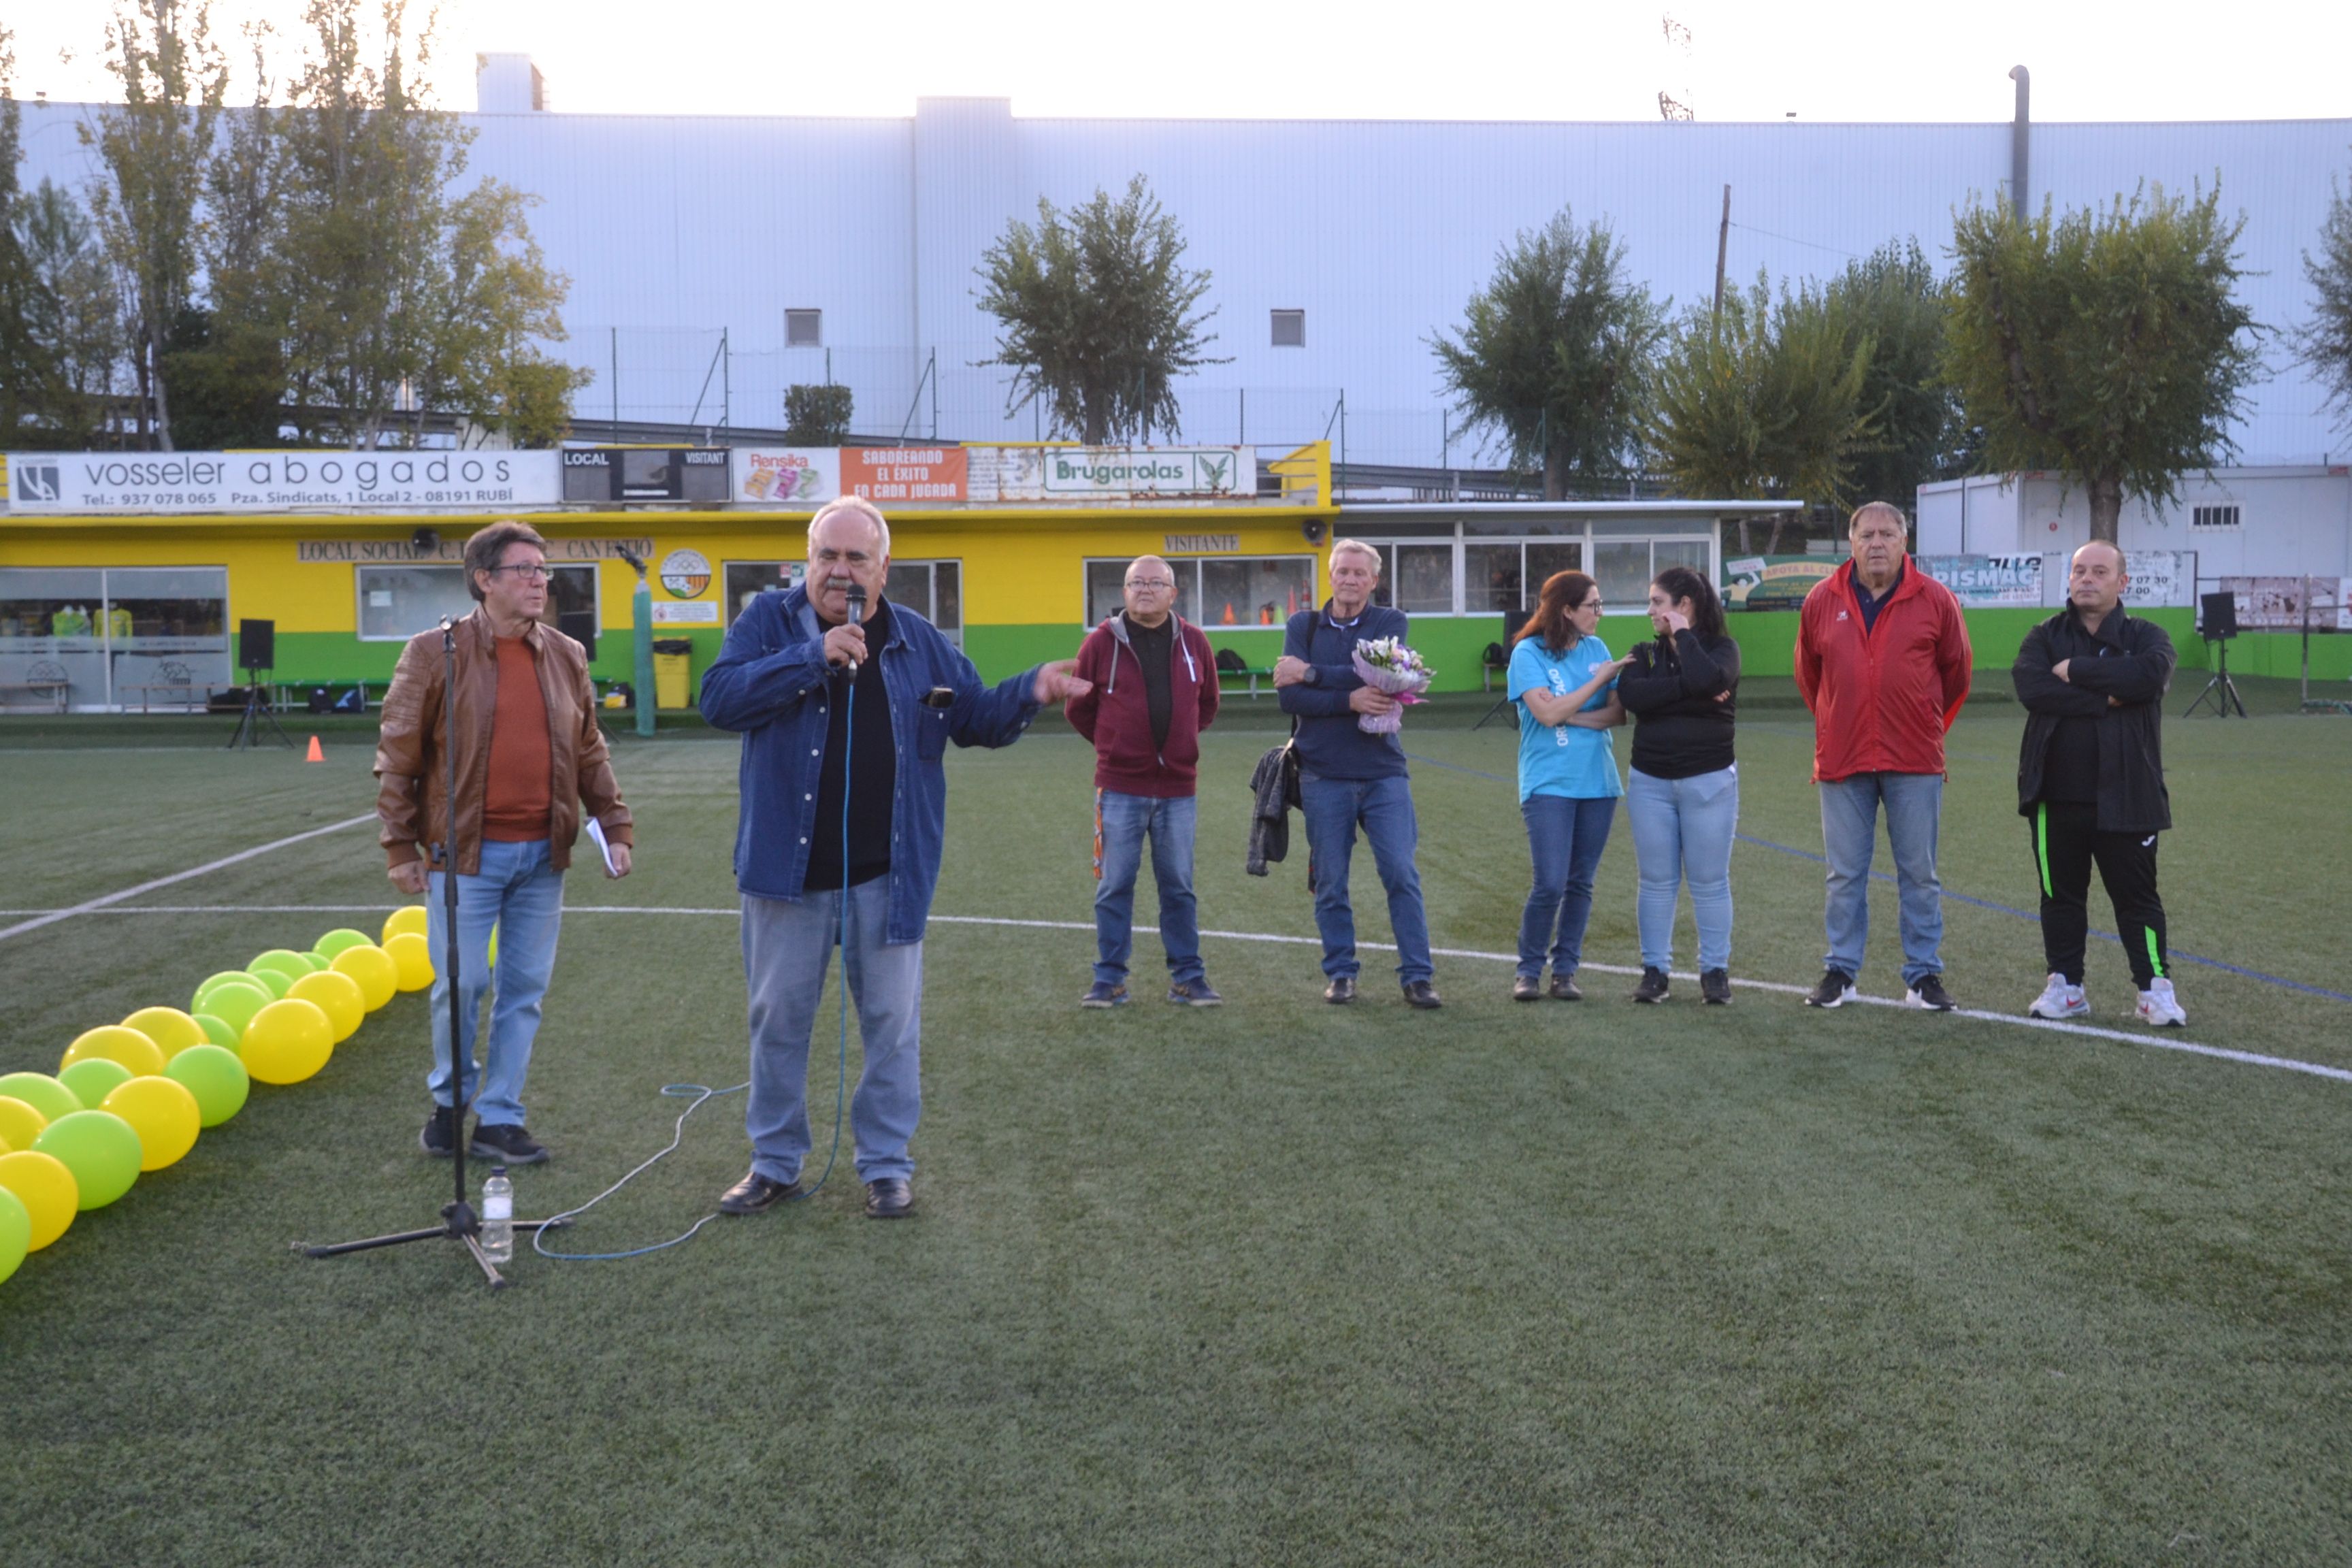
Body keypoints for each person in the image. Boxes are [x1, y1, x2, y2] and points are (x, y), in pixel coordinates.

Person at [700, 496, 1088, 1220]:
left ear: (884, 568)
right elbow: (719, 698)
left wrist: (1032, 689)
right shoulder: (766, 624)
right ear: (805, 561)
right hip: (787, 875)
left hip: (889, 872)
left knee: (890, 1026)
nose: (840, 571)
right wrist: (811, 657)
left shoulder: (918, 640)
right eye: (828, 556)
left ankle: (885, 1168)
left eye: (857, 558)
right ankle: (775, 1163)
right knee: (778, 1022)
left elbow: (971, 716)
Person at [374, 520, 635, 1165]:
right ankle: (449, 1102)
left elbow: (589, 750)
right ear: (483, 580)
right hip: (464, 855)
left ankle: (499, 1119)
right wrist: (399, 846)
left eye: (543, 569)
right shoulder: (435, 653)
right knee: (461, 985)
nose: (539, 580)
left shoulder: (568, 654)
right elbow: (399, 752)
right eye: (523, 569)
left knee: (523, 990)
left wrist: (615, 823)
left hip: (543, 856)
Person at [1794, 500, 1973, 1011]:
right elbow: (1810, 677)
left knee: (1919, 873)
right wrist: (1838, 722)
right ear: (1851, 543)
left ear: (1904, 542)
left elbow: (1956, 674)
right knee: (1843, 874)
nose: (1877, 543)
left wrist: (1924, 728)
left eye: (1887, 534)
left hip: (1914, 758)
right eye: (1867, 534)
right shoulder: (1821, 600)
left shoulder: (1936, 600)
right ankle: (1841, 972)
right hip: (1843, 759)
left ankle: (1923, 978)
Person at [2010, 540, 2186, 1026]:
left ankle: (2154, 990)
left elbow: (2149, 678)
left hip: (2128, 795)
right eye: (2079, 571)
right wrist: (2106, 698)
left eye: (2099, 572)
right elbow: (2032, 688)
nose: (2087, 579)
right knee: (2060, 897)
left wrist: (2077, 672)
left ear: (2122, 582)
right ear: (2069, 579)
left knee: (2137, 900)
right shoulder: (2044, 636)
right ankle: (2065, 986)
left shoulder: (2147, 636)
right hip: (2054, 797)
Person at [1273, 538, 1441, 1008]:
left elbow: (1387, 672)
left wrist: (1311, 674)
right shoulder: (1302, 625)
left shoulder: (1390, 621)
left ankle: (1417, 977)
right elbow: (1289, 699)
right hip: (1323, 775)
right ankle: (1341, 973)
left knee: (1401, 874)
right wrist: (1348, 698)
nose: (1349, 579)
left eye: (1359, 573)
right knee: (1330, 881)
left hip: (1384, 773)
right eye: (1342, 571)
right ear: (1329, 576)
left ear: (1373, 580)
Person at [1065, 555, 1223, 1007]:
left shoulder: (1195, 642)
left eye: (1156, 583)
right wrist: (1114, 747)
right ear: (1125, 593)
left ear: (1173, 594)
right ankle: (1109, 979)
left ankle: (1187, 978)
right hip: (1120, 789)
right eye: (1137, 583)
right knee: (1114, 885)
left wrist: (1177, 746)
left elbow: (1208, 703)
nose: (1146, 590)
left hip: (1178, 790)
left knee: (1179, 886)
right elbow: (1079, 708)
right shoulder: (1099, 644)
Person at [1617, 566, 1741, 1005]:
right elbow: (1633, 697)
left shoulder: (1722, 648)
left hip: (1709, 781)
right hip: (1650, 781)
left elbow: (1709, 678)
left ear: (1683, 607)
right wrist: (1690, 689)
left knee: (1709, 881)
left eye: (1657, 602)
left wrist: (1685, 642)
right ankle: (1655, 972)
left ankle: (1714, 973)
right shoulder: (1643, 653)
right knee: (1656, 881)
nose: (1650, 610)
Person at [1505, 570, 1627, 1002]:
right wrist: (1594, 684)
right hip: (1549, 783)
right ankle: (1529, 971)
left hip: (1598, 783)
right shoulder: (1528, 652)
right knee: (1550, 883)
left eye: (1600, 604)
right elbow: (1545, 715)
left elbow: (1617, 715)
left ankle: (1565, 972)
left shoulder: (1598, 649)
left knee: (1581, 883)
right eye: (1592, 605)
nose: (1599, 613)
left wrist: (1568, 712)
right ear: (1566, 610)